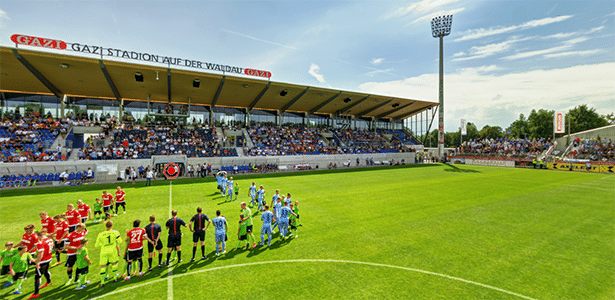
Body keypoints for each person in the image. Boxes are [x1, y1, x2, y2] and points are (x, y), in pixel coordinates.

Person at [95, 221, 121, 287]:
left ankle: (102, 282)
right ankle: (115, 278)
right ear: (112, 225)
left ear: (106, 226)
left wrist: (103, 244)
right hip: (112, 250)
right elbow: (120, 241)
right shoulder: (115, 232)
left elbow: (97, 245)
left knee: (103, 266)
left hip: (104, 250)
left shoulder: (100, 234)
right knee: (114, 263)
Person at [30, 230, 53, 299]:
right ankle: (49, 282)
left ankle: (36, 293)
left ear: (39, 236)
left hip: (42, 261)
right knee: (45, 271)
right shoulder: (50, 239)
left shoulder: (41, 242)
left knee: (37, 277)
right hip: (49, 258)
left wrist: (37, 262)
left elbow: (41, 253)